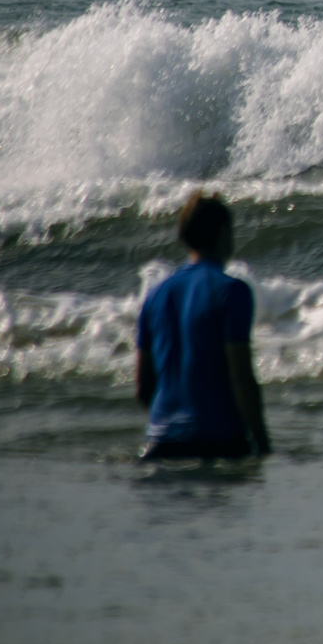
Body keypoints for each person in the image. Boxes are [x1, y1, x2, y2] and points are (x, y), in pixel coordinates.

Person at [136, 192, 270, 461]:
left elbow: (143, 389)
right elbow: (241, 377)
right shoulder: (232, 291)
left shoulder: (155, 296)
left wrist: (172, 426)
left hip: (160, 446)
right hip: (218, 442)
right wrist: (263, 444)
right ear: (223, 233)